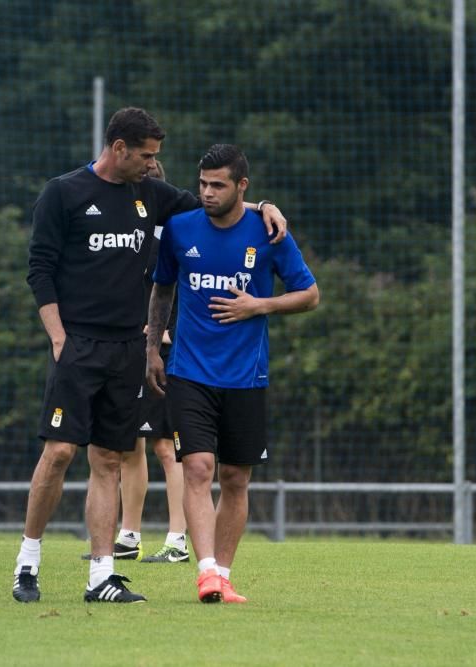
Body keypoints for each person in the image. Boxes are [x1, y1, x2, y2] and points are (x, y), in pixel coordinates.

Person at [15, 108, 287, 603]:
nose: (153, 165)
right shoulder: (64, 193)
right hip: (77, 344)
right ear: (120, 149)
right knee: (57, 454)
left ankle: (101, 575)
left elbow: (220, 208)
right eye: (146, 155)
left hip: (128, 350)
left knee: (108, 461)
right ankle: (27, 562)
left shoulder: (151, 196)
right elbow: (40, 269)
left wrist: (265, 204)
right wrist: (57, 337)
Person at [146, 144, 319, 603]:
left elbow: (309, 294)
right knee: (198, 467)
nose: (207, 192)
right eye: (202, 183)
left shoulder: (268, 233)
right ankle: (205, 572)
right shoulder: (181, 229)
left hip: (246, 376)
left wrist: (259, 305)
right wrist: (151, 349)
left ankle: (223, 574)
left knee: (236, 478)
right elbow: (163, 289)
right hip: (190, 372)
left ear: (242, 186)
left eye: (218, 185)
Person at [81, 160, 190, 564]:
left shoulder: (169, 234)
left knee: (166, 446)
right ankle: (129, 535)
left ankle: (178, 540)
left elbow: (171, 290)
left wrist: (164, 333)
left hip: (162, 350)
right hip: (132, 347)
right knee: (130, 447)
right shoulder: (130, 235)